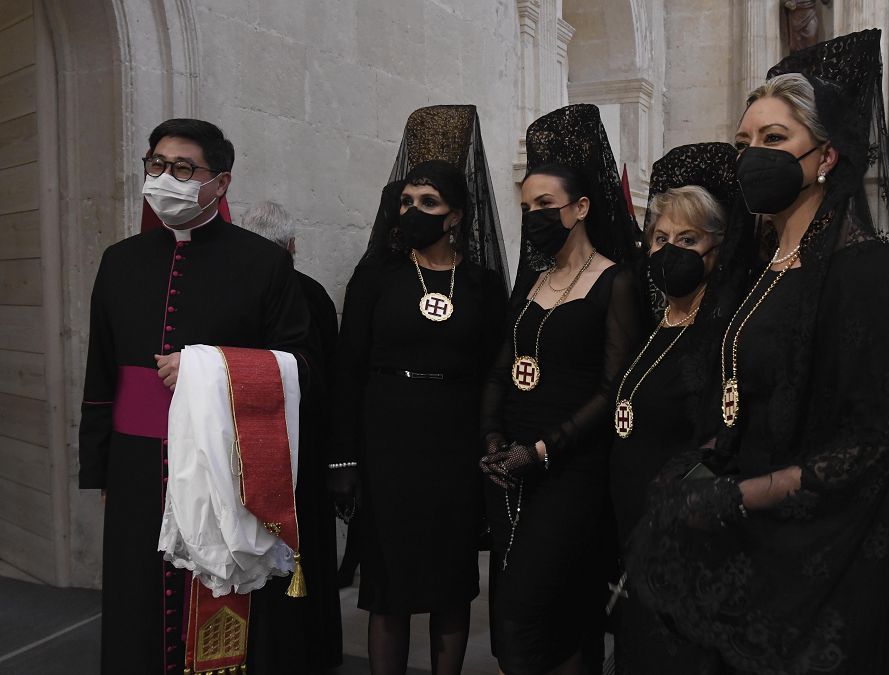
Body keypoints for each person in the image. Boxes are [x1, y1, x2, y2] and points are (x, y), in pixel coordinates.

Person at [630, 30, 889, 674]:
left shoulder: (866, 270)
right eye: (744, 143)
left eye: (773, 140)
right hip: (748, 537)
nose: (751, 157)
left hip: (819, 554)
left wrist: (742, 496)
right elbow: (746, 393)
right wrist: (700, 463)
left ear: (827, 156)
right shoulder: (767, 265)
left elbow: (873, 441)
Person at [79, 118, 312, 674]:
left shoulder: (264, 264)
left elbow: (301, 364)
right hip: (137, 464)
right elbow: (100, 371)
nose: (165, 178)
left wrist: (207, 368)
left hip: (221, 466)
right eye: (156, 165)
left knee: (212, 592)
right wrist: (101, 467)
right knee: (137, 595)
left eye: (183, 168)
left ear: (221, 183)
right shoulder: (120, 261)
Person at [331, 106, 509, 675]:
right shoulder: (376, 278)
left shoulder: (482, 285)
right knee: (388, 586)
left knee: (450, 584)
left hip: (454, 442)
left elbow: (494, 370)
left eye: (428, 204)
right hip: (386, 438)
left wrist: (490, 439)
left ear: (456, 216)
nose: (414, 212)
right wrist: (344, 457)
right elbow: (347, 367)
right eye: (407, 202)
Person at [479, 103, 643, 675]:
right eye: (526, 207)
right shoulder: (536, 282)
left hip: (570, 467)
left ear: (581, 207)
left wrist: (544, 449)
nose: (534, 216)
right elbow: (504, 368)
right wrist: (494, 435)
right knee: (533, 613)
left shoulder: (615, 280)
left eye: (545, 206)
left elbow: (614, 384)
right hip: (513, 465)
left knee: (528, 608)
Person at [608, 143, 746, 675]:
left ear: (718, 246)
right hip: (632, 523)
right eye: (660, 239)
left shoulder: (724, 332)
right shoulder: (658, 323)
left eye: (687, 239)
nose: (671, 251)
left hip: (686, 536)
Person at [239, 200, 344, 672]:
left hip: (255, 450)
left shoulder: (239, 292)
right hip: (301, 449)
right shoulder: (313, 294)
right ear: (293, 247)